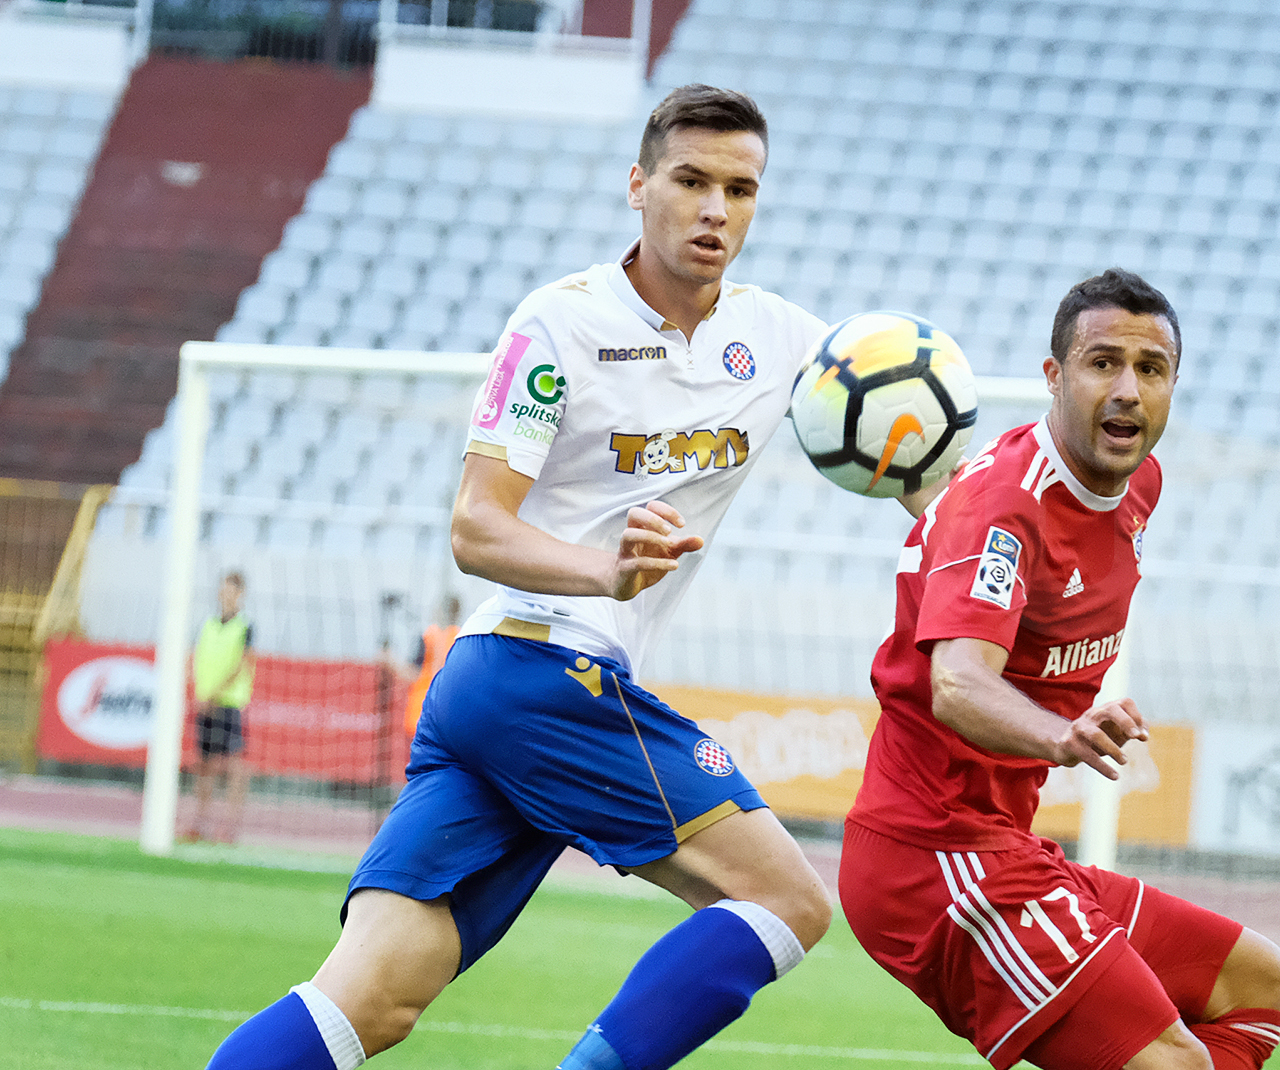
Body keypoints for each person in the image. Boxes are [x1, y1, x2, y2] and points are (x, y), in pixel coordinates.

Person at [204, 84, 907, 1070]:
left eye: (739, 189)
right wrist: (604, 570)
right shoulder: (558, 324)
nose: (714, 209)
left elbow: (895, 430)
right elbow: (474, 524)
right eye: (691, 180)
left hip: (491, 702)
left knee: (371, 995)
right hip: (542, 671)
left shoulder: (784, 340)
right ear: (638, 184)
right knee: (786, 899)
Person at [838, 270, 1280, 1070]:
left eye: (1150, 370)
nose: (1127, 390)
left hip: (1005, 843)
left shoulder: (1138, 485)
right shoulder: (1006, 508)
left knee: (1254, 981)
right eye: (1102, 363)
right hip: (935, 862)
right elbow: (957, 682)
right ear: (1054, 377)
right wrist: (1062, 735)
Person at [182, 570, 255, 844]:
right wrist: (199, 692)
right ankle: (199, 822)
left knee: (235, 765)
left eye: (229, 590)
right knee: (204, 765)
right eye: (222, 589)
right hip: (205, 703)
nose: (224, 595)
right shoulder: (209, 624)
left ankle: (230, 826)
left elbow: (242, 664)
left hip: (229, 703)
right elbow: (198, 658)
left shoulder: (245, 626)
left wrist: (215, 692)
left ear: (239, 594)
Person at [381, 594, 462, 738]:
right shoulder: (461, 638)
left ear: (440, 610)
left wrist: (388, 659)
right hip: (450, 717)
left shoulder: (429, 637)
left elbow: (413, 674)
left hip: (422, 712)